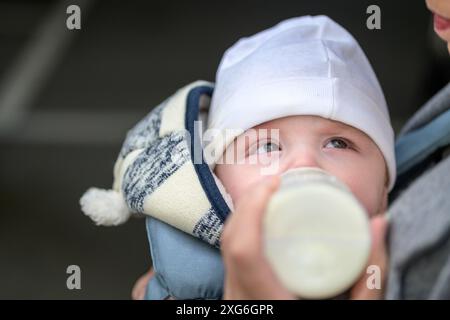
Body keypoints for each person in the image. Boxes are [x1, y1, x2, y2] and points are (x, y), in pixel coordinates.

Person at [109, 14, 395, 300]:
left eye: (338, 143)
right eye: (267, 146)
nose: (305, 163)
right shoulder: (183, 284)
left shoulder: (417, 268)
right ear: (216, 181)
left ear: (383, 191)